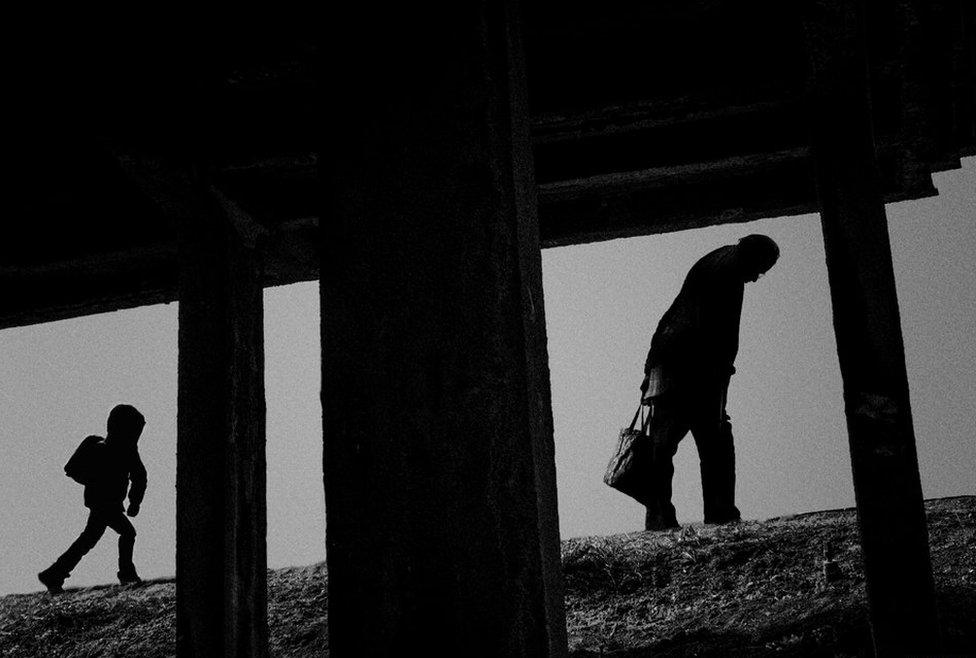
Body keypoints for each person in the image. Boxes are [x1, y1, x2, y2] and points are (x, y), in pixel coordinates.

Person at [640, 234, 779, 530]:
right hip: (691, 371)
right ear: (751, 257)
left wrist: (650, 370)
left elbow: (678, 318)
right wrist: (718, 378)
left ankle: (660, 516)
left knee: (662, 447)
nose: (756, 278)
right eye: (760, 269)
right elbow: (715, 335)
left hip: (668, 365)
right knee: (713, 442)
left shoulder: (716, 262)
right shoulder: (728, 274)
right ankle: (717, 511)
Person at [38, 404, 148, 593]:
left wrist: (134, 501)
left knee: (88, 539)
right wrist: (131, 500)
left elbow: (140, 476)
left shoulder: (125, 451)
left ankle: (54, 573)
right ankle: (127, 573)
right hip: (105, 504)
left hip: (105, 503)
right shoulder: (104, 449)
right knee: (127, 533)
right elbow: (74, 471)